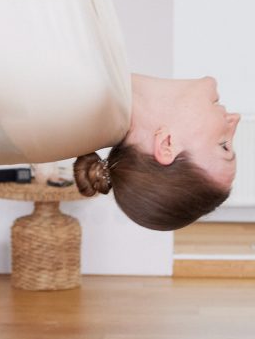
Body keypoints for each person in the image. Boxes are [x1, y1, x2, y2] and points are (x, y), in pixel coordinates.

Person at [73, 74, 241, 231]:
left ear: (167, 145)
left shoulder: (78, 79)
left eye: (224, 145)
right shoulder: (95, 79)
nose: (235, 118)